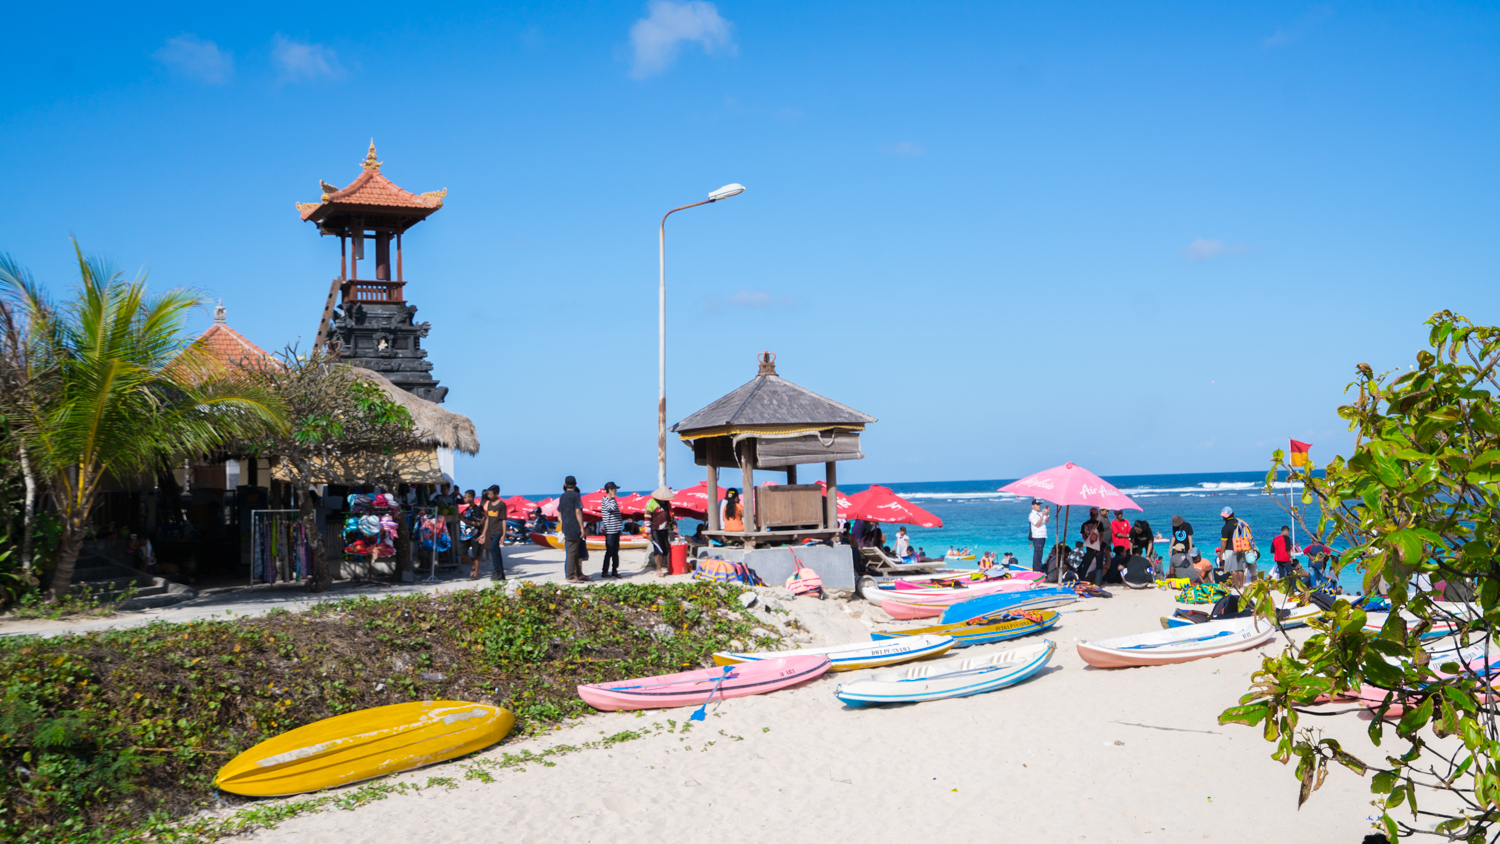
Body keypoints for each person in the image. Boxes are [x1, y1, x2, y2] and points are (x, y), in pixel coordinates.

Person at [557, 476, 587, 583]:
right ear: (576, 483)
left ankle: (578, 574)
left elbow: (559, 514)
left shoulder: (562, 496)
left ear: (565, 484)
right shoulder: (576, 495)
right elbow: (578, 511)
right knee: (572, 552)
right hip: (574, 526)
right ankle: (570, 576)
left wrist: (563, 524)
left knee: (575, 551)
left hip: (566, 526)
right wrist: (581, 527)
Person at [478, 486, 507, 582]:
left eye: (490, 494)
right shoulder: (490, 504)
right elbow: (488, 519)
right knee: (497, 552)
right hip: (490, 530)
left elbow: (503, 520)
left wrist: (503, 534)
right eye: (488, 494)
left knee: (491, 548)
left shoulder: (502, 505)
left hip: (498, 530)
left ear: (496, 494)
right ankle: (501, 574)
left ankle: (496, 570)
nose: (489, 496)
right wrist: (483, 533)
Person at [646, 486, 675, 577]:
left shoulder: (667, 504)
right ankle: (658, 569)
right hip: (655, 529)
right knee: (658, 549)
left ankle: (662, 566)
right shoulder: (651, 503)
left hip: (665, 529)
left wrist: (673, 524)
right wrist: (648, 532)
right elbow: (647, 519)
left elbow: (670, 516)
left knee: (665, 549)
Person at [1219, 506, 1250, 589]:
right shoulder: (1240, 523)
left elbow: (1224, 541)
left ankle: (1237, 587)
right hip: (1241, 548)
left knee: (1233, 569)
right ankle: (1241, 586)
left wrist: (1221, 553)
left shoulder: (1226, 527)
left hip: (1230, 549)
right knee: (1241, 569)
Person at [598, 481, 624, 579]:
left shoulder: (613, 500)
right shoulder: (605, 500)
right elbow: (611, 509)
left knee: (615, 552)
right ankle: (605, 571)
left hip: (616, 529)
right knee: (609, 551)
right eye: (614, 489)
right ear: (610, 490)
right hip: (610, 530)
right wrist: (612, 497)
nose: (616, 491)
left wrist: (619, 527)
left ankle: (614, 570)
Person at [1080, 507, 1104, 584]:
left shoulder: (1084, 524)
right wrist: (1098, 546)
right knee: (1099, 566)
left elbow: (1083, 537)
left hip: (1089, 547)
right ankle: (1097, 583)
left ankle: (1081, 580)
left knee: (1086, 565)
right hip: (1098, 547)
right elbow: (1101, 536)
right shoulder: (1099, 523)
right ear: (1096, 514)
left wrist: (1090, 543)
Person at [1028, 500, 1049, 573]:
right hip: (1037, 536)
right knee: (1038, 552)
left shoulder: (1040, 513)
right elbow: (1037, 524)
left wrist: (1047, 514)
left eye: (1039, 504)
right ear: (1033, 506)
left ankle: (1038, 568)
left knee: (1040, 552)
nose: (1039, 506)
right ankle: (1036, 569)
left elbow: (1047, 521)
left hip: (1043, 535)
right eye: (1037, 504)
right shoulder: (1032, 515)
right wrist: (1043, 515)